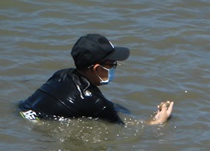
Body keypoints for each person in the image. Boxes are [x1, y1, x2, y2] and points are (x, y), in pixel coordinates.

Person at [19, 34, 173, 125]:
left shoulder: (62, 74)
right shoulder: (95, 102)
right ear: (97, 69)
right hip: (42, 126)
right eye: (112, 64)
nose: (114, 67)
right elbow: (126, 128)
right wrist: (159, 121)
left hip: (21, 113)